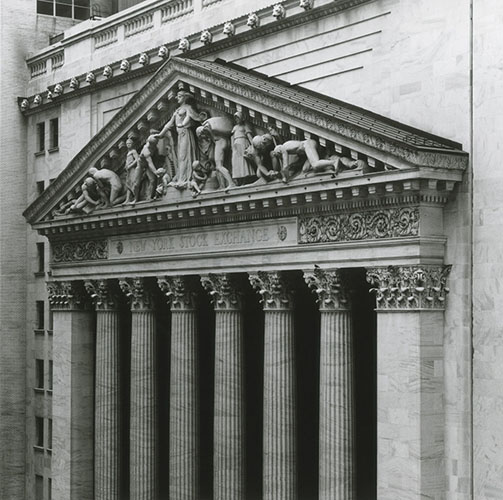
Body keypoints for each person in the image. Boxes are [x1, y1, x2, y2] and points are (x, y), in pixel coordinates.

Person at [156, 90, 201, 189]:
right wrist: (160, 134)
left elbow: (192, 117)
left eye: (180, 96)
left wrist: (183, 124)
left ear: (185, 97)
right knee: (180, 157)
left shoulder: (188, 108)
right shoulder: (177, 110)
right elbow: (169, 124)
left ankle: (184, 179)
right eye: (177, 96)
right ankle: (181, 178)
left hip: (185, 133)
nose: (177, 98)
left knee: (183, 156)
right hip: (180, 136)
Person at [272, 138, 353, 182]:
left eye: (277, 155)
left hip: (308, 144)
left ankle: (334, 162)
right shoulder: (288, 146)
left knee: (315, 164)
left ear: (277, 151)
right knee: (305, 169)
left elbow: (285, 166)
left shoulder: (282, 148)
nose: (280, 157)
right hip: (309, 146)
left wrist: (285, 178)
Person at [231, 112, 255, 185]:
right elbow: (232, 137)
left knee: (243, 161)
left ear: (241, 118)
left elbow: (249, 136)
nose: (236, 119)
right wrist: (232, 147)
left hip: (243, 143)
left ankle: (244, 179)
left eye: (238, 117)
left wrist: (253, 145)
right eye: (235, 118)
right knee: (235, 161)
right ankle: (238, 179)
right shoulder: (234, 127)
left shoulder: (245, 126)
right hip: (236, 144)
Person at [138, 135, 160, 201]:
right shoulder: (146, 150)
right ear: (150, 143)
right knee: (136, 183)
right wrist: (156, 172)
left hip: (147, 165)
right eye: (154, 144)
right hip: (140, 166)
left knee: (153, 180)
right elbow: (150, 163)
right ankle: (134, 198)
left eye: (156, 143)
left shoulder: (153, 145)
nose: (156, 145)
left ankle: (149, 196)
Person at [123, 138, 140, 205]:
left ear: (132, 144)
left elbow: (137, 159)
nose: (128, 145)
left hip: (132, 169)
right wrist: (126, 166)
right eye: (127, 144)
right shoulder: (128, 152)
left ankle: (136, 198)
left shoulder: (134, 151)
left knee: (134, 183)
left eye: (129, 143)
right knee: (128, 184)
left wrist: (130, 166)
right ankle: (127, 199)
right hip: (128, 171)